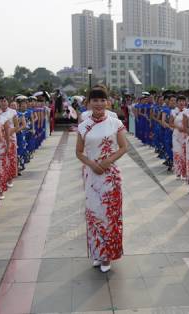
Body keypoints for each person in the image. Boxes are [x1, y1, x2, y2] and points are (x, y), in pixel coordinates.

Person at [76, 87, 128, 273]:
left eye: (102, 100)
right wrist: (92, 164)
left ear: (107, 102)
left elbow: (123, 147)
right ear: (88, 103)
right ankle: (98, 253)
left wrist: (107, 161)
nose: (98, 104)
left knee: (110, 215)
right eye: (94, 100)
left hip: (110, 175)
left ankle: (108, 256)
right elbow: (78, 152)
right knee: (94, 214)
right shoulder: (83, 125)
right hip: (91, 174)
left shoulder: (115, 123)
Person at [171, 95, 187, 180]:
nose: (181, 102)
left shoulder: (188, 111)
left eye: (183, 101)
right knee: (177, 153)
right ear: (177, 102)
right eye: (180, 101)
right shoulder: (173, 112)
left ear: (185, 102)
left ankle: (184, 173)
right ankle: (178, 172)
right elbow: (170, 123)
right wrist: (178, 127)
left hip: (185, 136)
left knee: (184, 154)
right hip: (176, 135)